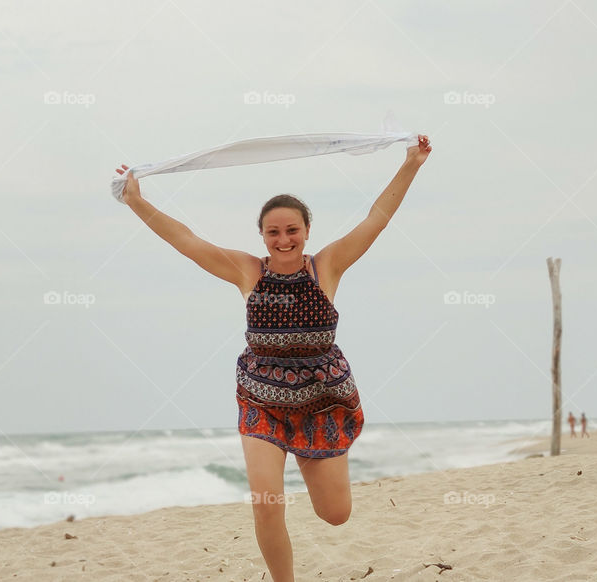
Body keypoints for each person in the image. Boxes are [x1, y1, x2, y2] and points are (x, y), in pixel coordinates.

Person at [114, 134, 431, 582]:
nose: (284, 239)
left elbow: (376, 219)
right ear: (262, 236)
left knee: (336, 514)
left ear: (307, 231)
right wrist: (136, 201)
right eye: (274, 232)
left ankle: (307, 457)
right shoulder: (247, 270)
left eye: (292, 230)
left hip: (321, 399)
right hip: (261, 399)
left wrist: (411, 163)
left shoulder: (328, 266)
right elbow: (186, 240)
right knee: (266, 504)